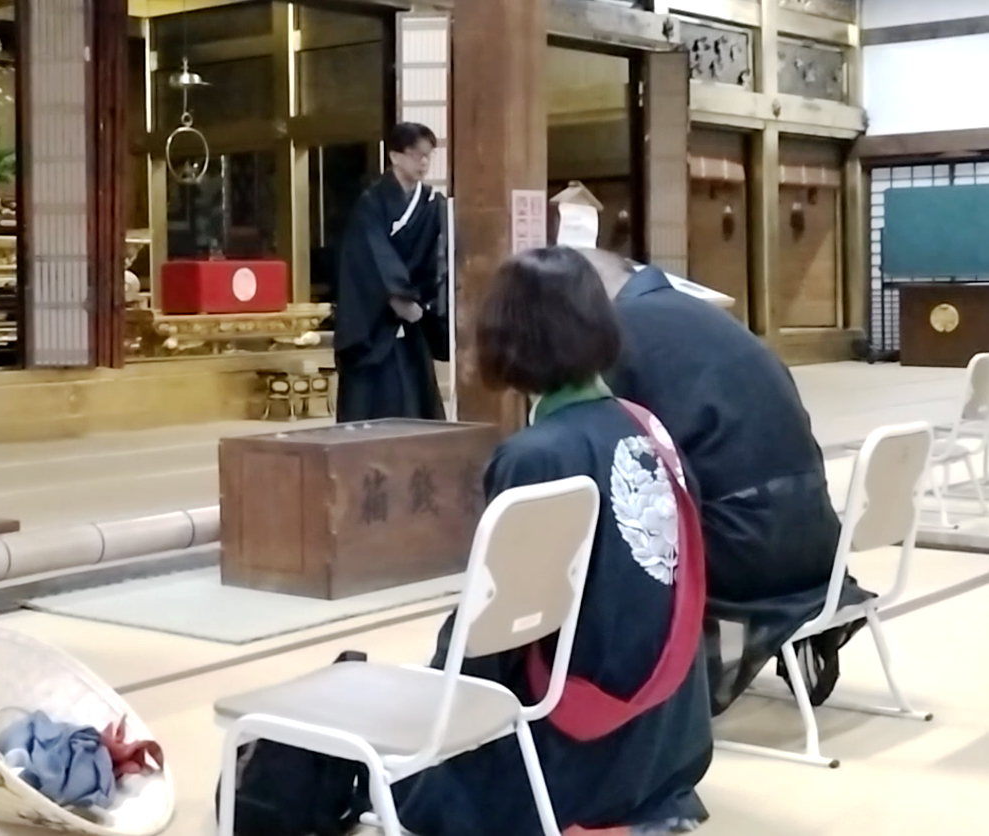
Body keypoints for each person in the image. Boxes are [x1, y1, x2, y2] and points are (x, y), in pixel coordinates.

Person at [389, 247, 712, 836]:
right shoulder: (649, 427)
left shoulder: (537, 455)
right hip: (671, 741)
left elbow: (494, 632)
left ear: (508, 338)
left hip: (580, 759)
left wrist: (431, 694)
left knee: (401, 781)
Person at [574, 247, 866, 713]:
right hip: (818, 543)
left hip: (746, 555)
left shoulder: (619, 333)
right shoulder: (707, 315)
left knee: (606, 533)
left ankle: (620, 696)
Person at [333, 122, 447, 423]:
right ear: (395, 156)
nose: (423, 162)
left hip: (414, 313)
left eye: (428, 155)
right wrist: (398, 296)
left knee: (416, 391)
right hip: (374, 316)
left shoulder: (430, 203)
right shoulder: (371, 204)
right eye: (416, 155)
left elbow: (438, 254)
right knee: (376, 395)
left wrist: (429, 299)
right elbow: (370, 255)